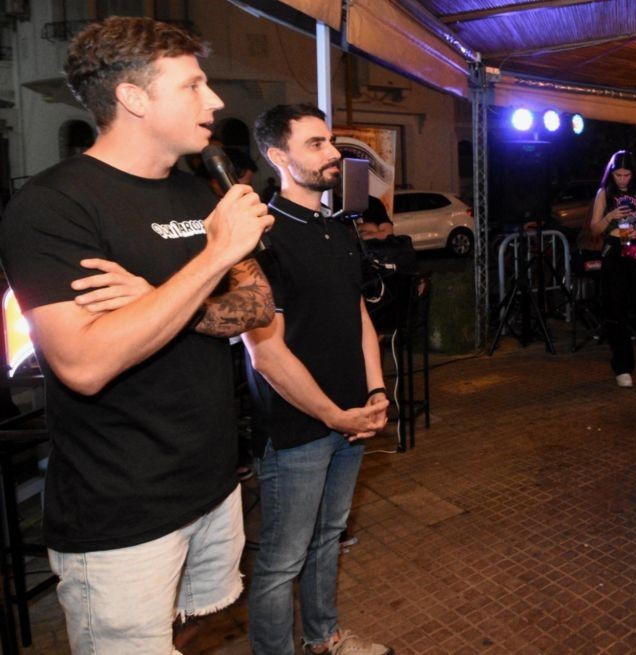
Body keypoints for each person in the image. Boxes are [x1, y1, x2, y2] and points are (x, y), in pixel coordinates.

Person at [0, 17, 274, 652]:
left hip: (210, 484)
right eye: (193, 85)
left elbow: (259, 303)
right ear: (133, 97)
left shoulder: (197, 191)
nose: (215, 100)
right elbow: (85, 364)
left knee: (197, 630)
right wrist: (213, 258)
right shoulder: (54, 206)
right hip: (121, 510)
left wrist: (156, 300)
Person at [246, 104, 392, 655]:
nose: (333, 153)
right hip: (298, 429)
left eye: (329, 141)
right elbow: (266, 354)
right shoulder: (261, 237)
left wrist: (375, 392)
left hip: (351, 418)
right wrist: (333, 414)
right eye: (315, 144)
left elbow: (359, 317)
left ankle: (322, 638)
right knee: (282, 559)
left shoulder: (339, 227)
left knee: (329, 538)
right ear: (277, 156)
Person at [588, 151, 636, 388]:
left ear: (634, 174)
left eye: (626, 175)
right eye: (618, 175)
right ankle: (622, 367)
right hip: (613, 248)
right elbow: (594, 229)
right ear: (611, 174)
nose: (622, 179)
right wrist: (610, 215)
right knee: (615, 309)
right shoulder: (604, 192)